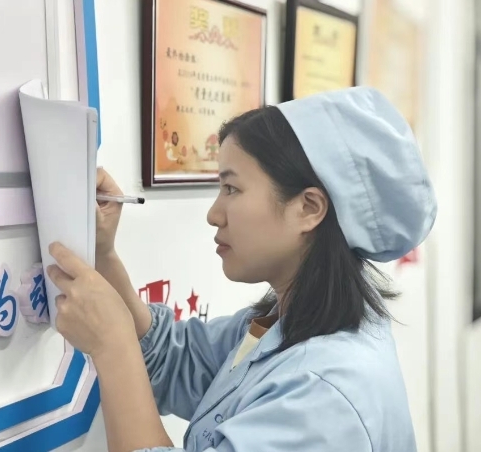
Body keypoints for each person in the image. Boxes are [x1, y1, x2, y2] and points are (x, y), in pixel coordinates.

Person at [46, 86, 437, 452]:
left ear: (308, 208)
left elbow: (135, 353)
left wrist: (112, 347)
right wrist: (104, 254)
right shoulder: (290, 321)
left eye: (231, 189)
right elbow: (174, 362)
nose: (214, 214)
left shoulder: (325, 396)